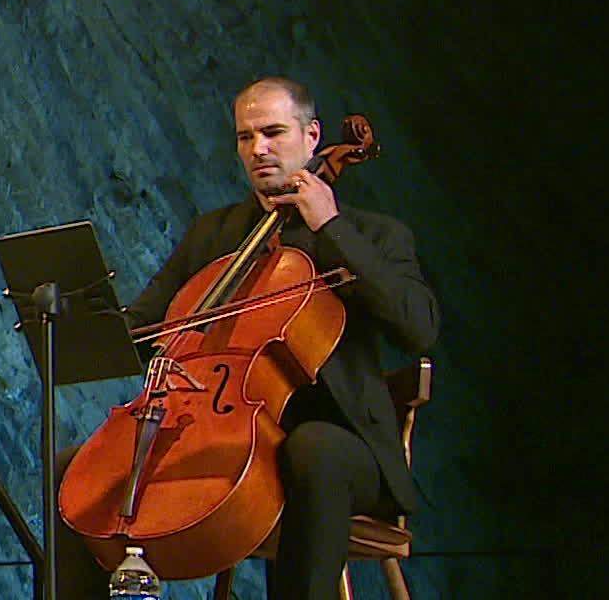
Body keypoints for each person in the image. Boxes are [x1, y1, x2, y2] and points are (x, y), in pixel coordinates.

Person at [54, 77, 440, 600]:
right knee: (76, 471)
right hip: (219, 431)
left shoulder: (372, 235)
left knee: (311, 450)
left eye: (274, 132)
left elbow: (419, 327)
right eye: (244, 137)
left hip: (342, 444)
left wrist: (331, 228)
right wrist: (77, 317)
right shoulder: (214, 234)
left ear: (312, 136)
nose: (258, 149)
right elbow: (145, 324)